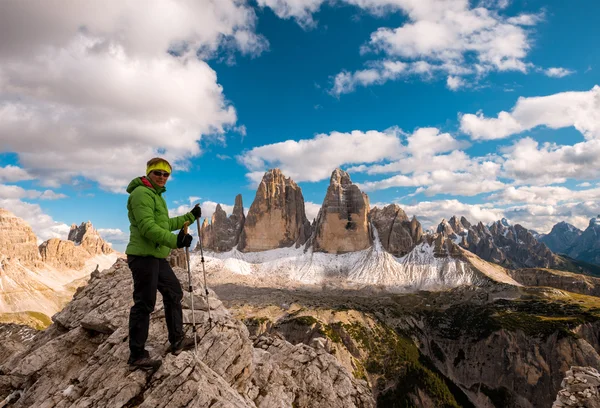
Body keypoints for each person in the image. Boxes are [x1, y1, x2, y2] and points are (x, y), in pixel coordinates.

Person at [125, 157, 202, 370]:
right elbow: (147, 227)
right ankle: (137, 356)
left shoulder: (156, 196)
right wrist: (175, 241)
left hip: (156, 256)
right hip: (142, 257)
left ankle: (176, 340)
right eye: (157, 172)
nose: (161, 177)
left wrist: (189, 217)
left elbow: (164, 223)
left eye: (165, 174)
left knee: (174, 293)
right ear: (149, 173)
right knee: (145, 303)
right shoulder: (141, 194)